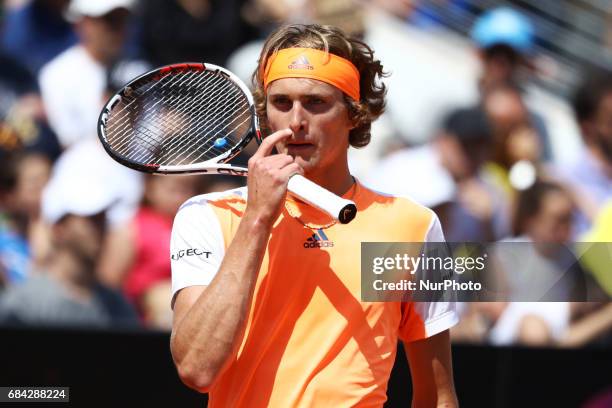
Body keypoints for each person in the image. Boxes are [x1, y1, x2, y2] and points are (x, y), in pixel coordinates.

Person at [170, 24, 458, 406]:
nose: (296, 122)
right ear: (265, 114)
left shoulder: (413, 225)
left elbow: (437, 396)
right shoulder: (208, 216)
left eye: (316, 102)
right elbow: (196, 368)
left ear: (355, 114)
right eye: (282, 103)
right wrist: (257, 219)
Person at [38, 0, 135, 148]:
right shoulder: (57, 75)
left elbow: (155, 136)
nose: (117, 29)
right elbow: (68, 142)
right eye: (109, 20)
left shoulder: (139, 69)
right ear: (82, 25)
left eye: (122, 20)